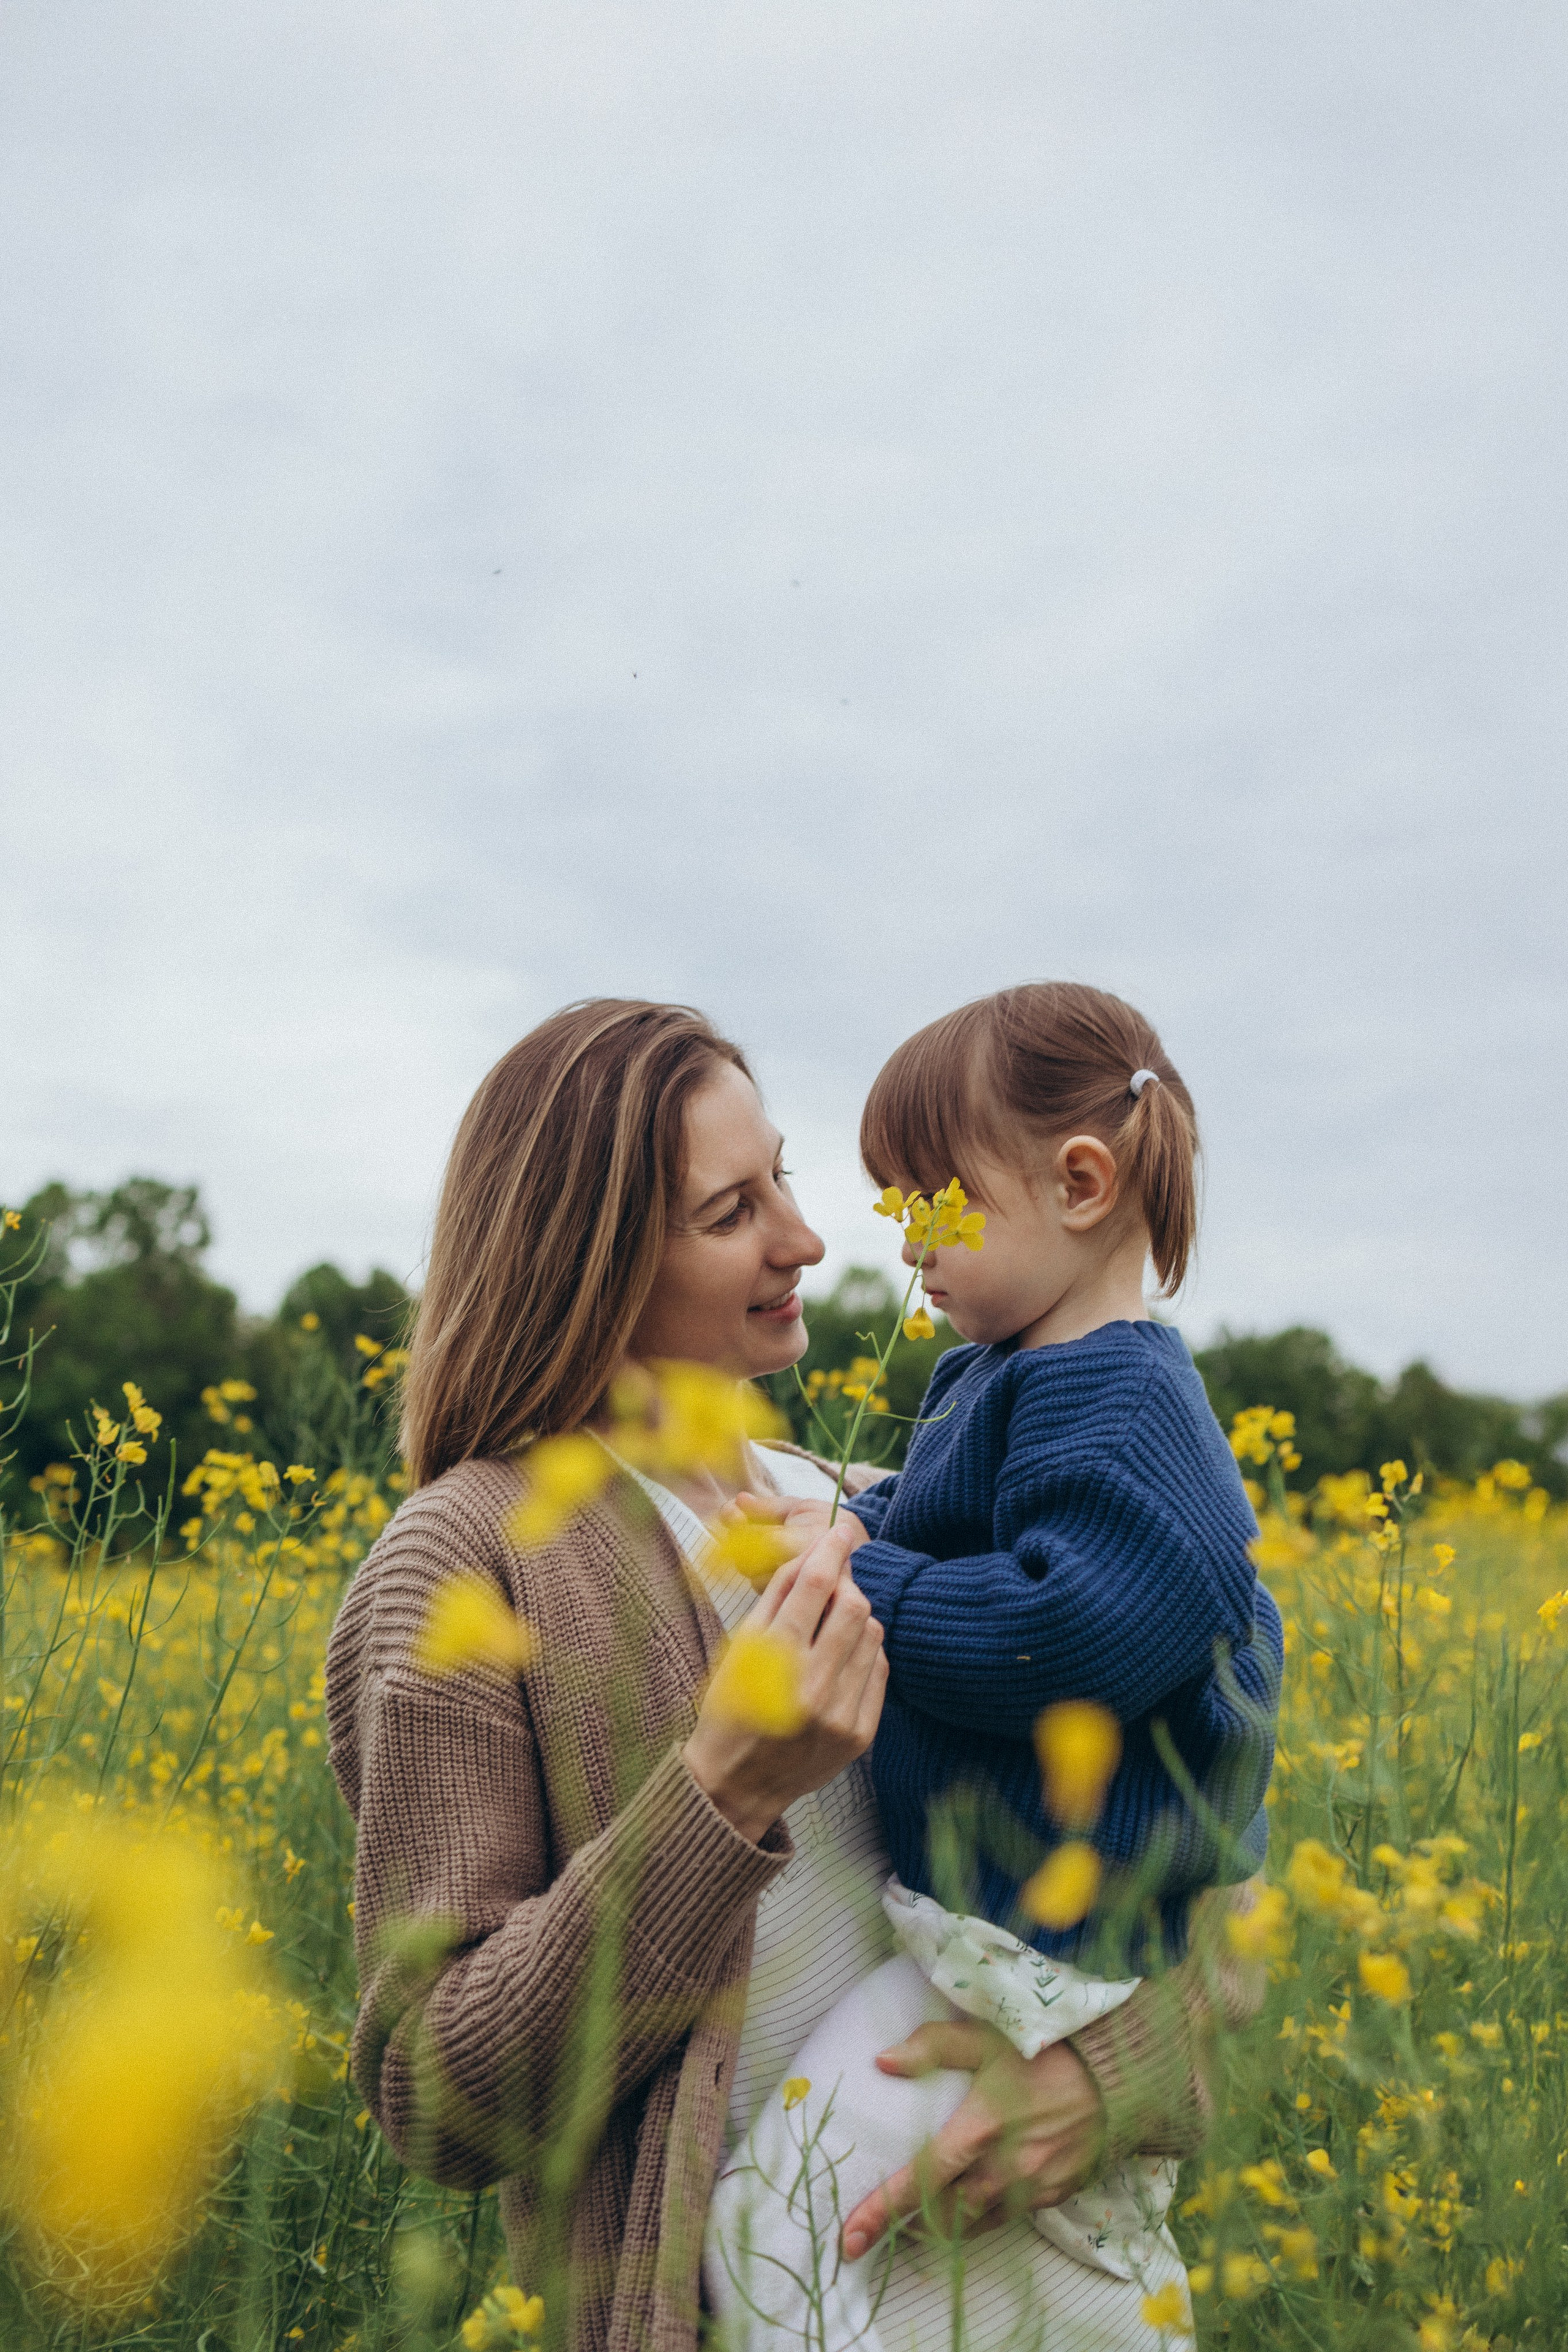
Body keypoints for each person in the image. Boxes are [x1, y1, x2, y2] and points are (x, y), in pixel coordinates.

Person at [325, 997, 1264, 2352]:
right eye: (729, 1212)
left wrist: (1103, 2077)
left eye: (786, 1179)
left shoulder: (877, 1512)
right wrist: (718, 1794)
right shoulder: (469, 1564)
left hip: (1067, 2305)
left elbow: (1201, 1894)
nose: (808, 1241)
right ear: (589, 1262)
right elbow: (439, 2101)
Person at [707, 983, 1283, 2351]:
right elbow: (972, 1505)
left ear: (1080, 1184)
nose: (900, 1245)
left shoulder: (1128, 1396)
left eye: (930, 1204)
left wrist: (861, 1575)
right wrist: (865, 1515)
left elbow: (1073, 1635)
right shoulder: (1017, 1370)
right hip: (987, 1942)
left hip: (1030, 1960)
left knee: (765, 2241)